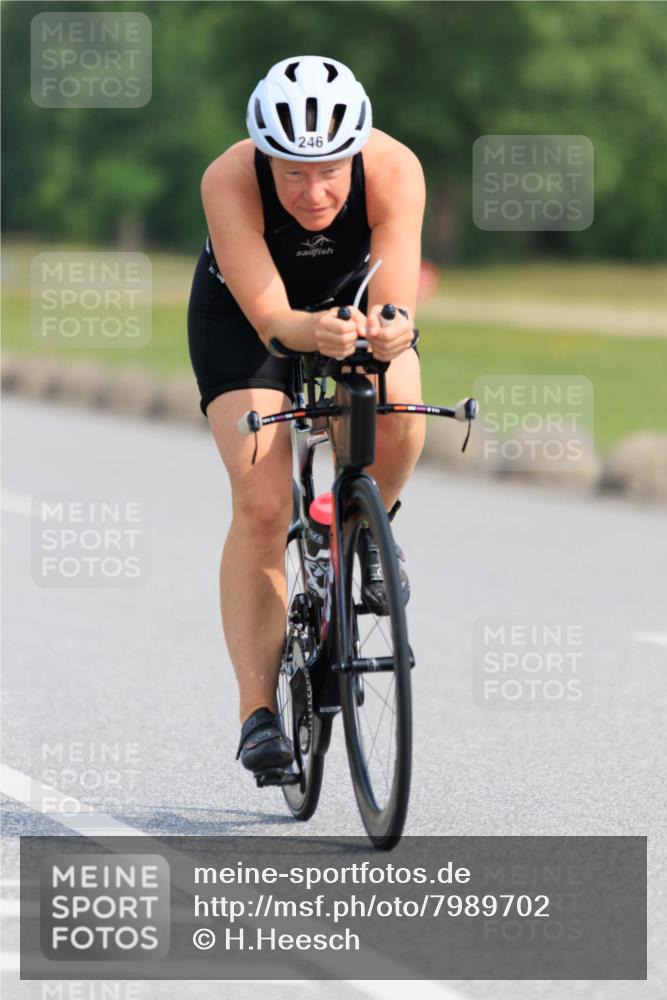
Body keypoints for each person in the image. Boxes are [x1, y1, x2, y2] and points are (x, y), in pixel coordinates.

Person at [187, 55, 426, 781]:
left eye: (328, 170)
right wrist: (310, 330)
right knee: (260, 503)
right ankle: (257, 715)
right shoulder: (228, 178)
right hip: (248, 319)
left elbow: (395, 297)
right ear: (265, 156)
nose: (313, 191)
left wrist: (389, 330)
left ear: (355, 152)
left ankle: (365, 524)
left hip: (348, 302)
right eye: (291, 172)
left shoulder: (394, 167)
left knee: (403, 404)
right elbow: (270, 318)